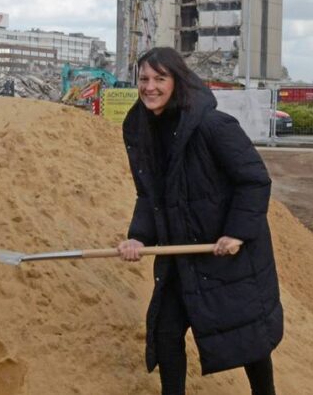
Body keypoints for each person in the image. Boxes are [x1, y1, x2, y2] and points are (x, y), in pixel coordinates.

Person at [117, 47, 282, 395]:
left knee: (247, 334)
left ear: (178, 81)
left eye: (160, 78)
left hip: (227, 254)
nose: (150, 86)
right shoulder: (142, 131)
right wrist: (138, 238)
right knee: (166, 331)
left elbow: (254, 180)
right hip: (180, 254)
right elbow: (149, 195)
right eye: (144, 78)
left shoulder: (213, 125)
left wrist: (236, 233)